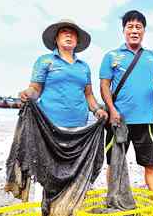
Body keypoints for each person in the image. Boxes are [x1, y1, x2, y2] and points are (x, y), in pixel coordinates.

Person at [100, 10, 153, 216]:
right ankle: (113, 201)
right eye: (130, 27)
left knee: (150, 165)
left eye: (138, 27)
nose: (134, 30)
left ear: (143, 31)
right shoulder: (111, 56)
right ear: (123, 30)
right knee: (115, 164)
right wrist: (112, 110)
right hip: (118, 122)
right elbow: (104, 85)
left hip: (146, 122)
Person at [20, 19, 108, 201]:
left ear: (77, 40)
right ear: (56, 38)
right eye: (64, 32)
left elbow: (89, 95)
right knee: (45, 168)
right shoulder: (45, 61)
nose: (69, 35)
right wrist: (27, 93)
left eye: (73, 33)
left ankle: (68, 208)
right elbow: (36, 89)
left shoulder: (83, 67)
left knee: (72, 169)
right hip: (48, 128)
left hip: (78, 129)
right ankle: (40, 214)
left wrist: (98, 110)